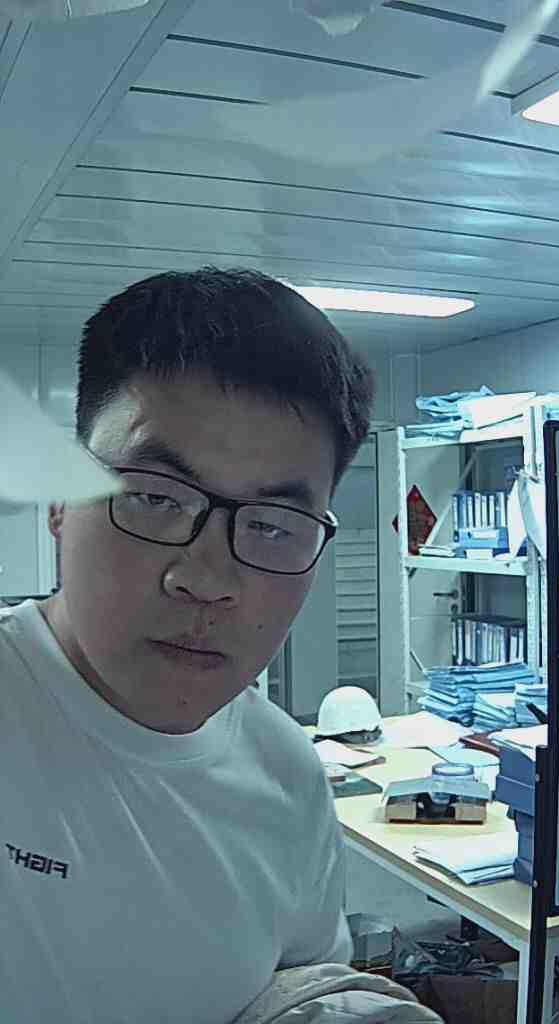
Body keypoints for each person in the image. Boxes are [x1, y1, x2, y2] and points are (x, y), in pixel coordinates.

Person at [0, 268, 375, 1023]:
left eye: (273, 526)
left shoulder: (290, 775)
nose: (206, 580)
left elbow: (304, 999)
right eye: (154, 497)